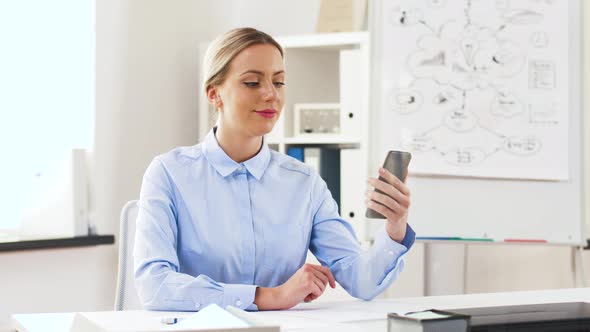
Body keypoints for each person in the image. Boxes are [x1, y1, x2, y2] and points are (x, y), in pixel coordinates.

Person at [134, 27, 415, 311]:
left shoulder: (304, 183)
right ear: (214, 93)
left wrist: (395, 228)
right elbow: (154, 285)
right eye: (252, 82)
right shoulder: (169, 174)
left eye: (278, 82)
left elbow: (362, 281)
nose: (271, 94)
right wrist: (268, 297)